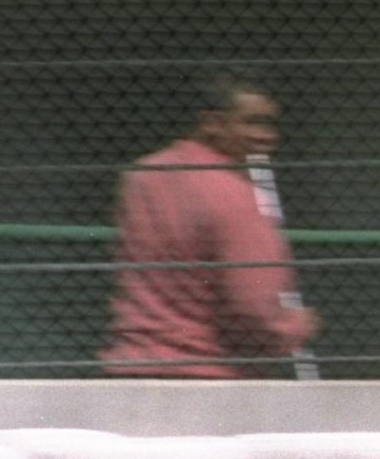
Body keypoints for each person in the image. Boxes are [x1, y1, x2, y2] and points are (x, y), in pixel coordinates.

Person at [102, 70, 321, 378]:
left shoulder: (143, 176)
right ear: (212, 123)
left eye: (270, 124)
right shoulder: (234, 193)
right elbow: (253, 304)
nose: (267, 136)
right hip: (206, 371)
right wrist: (294, 326)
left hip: (133, 363)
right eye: (252, 122)